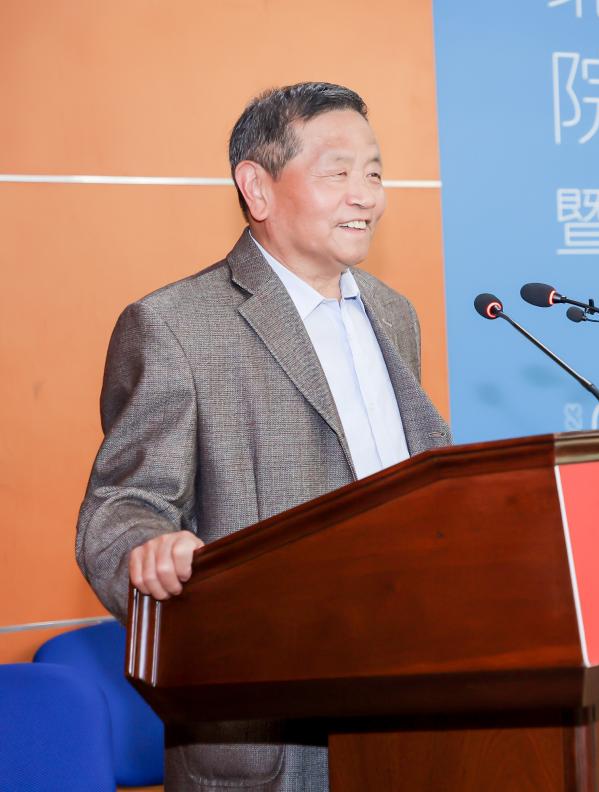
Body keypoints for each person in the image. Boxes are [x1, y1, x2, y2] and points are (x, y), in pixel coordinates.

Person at [75, 82, 450, 791]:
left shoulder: (394, 313)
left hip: (409, 701)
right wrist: (148, 551)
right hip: (268, 730)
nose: (366, 195)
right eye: (339, 172)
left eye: (374, 172)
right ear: (257, 187)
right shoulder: (176, 326)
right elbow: (120, 508)